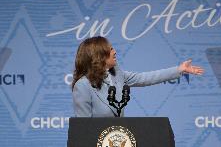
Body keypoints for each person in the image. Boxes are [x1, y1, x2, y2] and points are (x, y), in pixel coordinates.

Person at [72, 36, 204, 117]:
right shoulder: (83, 85)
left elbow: (146, 78)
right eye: (111, 49)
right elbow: (83, 129)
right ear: (99, 55)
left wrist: (179, 69)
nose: (115, 52)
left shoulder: (117, 74)